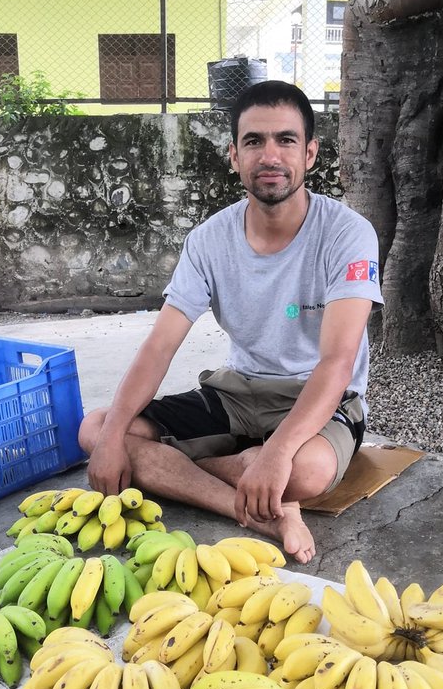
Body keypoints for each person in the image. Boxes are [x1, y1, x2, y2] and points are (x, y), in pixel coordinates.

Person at [79, 79, 382, 564]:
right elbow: (160, 346)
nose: (270, 156)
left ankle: (231, 470)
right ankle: (261, 509)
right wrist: (114, 438)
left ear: (310, 154)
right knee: (98, 430)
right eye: (253, 141)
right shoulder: (208, 240)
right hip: (237, 394)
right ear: (233, 155)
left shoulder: (347, 234)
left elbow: (338, 362)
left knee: (304, 472)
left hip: (316, 397)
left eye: (286, 140)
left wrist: (277, 453)